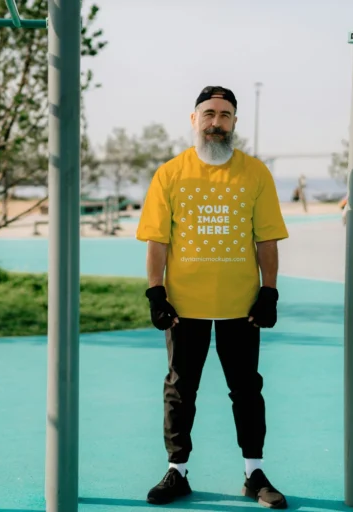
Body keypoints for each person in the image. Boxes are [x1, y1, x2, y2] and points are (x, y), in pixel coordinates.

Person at [135, 86, 289, 509]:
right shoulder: (170, 173)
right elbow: (157, 240)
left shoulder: (255, 173)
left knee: (247, 389)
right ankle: (177, 471)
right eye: (209, 114)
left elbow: (267, 239)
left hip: (241, 306)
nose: (216, 122)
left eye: (224, 115)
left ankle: (254, 473)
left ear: (234, 122)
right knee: (180, 389)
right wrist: (156, 293)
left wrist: (269, 291)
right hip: (185, 307)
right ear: (194, 120)